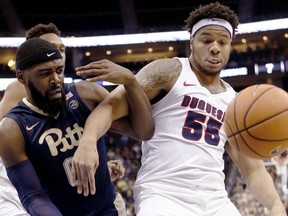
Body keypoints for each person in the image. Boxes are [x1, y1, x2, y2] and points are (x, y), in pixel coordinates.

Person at [73, 2, 286, 215]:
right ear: (192, 41)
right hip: (163, 194)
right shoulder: (169, 71)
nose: (215, 47)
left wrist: (275, 204)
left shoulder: (235, 102)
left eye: (223, 42)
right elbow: (110, 106)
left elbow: (253, 171)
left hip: (215, 200)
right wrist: (88, 140)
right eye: (207, 40)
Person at [0, 37, 153, 215]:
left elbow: (143, 131)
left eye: (59, 70)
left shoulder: (86, 94)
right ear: (21, 77)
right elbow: (33, 196)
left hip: (109, 209)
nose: (55, 79)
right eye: (45, 73)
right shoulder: (11, 129)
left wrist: (130, 81)